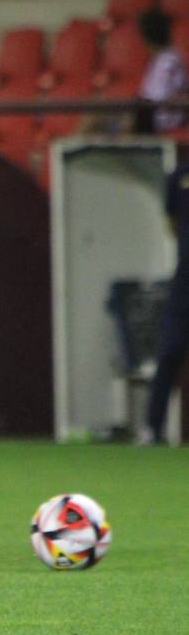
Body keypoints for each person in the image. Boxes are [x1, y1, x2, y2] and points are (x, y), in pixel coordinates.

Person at [144, 156, 189, 445]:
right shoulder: (181, 175)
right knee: (170, 350)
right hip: (185, 280)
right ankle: (152, 429)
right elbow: (171, 222)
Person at [137, 9, 188, 132]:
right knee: (95, 116)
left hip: (163, 118)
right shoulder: (157, 59)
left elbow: (159, 96)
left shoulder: (170, 61)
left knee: (127, 117)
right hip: (149, 113)